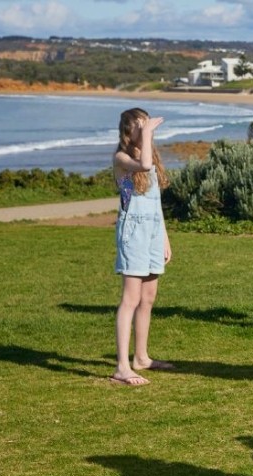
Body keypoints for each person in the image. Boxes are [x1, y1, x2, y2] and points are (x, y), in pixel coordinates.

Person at [111, 107, 175, 385]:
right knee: (131, 299)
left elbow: (156, 202)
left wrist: (164, 237)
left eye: (146, 124)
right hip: (133, 230)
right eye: (139, 125)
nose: (145, 129)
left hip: (151, 229)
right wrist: (148, 135)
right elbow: (145, 166)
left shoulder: (150, 155)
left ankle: (141, 357)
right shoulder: (121, 158)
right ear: (128, 131)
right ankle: (122, 367)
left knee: (148, 298)